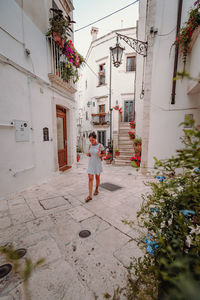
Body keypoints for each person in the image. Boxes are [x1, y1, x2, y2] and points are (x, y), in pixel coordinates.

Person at [85, 132, 106, 202]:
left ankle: (96, 189)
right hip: (91, 164)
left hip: (97, 164)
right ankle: (90, 195)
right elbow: (91, 154)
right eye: (90, 140)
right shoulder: (90, 146)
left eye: (92, 140)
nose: (91, 142)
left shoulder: (100, 146)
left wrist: (100, 155)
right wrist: (89, 154)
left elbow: (105, 154)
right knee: (90, 179)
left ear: (95, 138)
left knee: (97, 178)